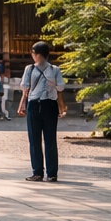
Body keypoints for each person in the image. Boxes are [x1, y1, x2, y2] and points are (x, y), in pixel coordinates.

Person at [18, 41, 67, 181]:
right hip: (33, 104)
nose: (32, 56)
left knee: (50, 139)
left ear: (38, 55)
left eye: (33, 53)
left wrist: (54, 84)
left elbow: (61, 87)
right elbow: (25, 88)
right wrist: (22, 104)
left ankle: (52, 173)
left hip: (50, 105)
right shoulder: (30, 69)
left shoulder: (54, 69)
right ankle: (37, 172)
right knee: (34, 139)